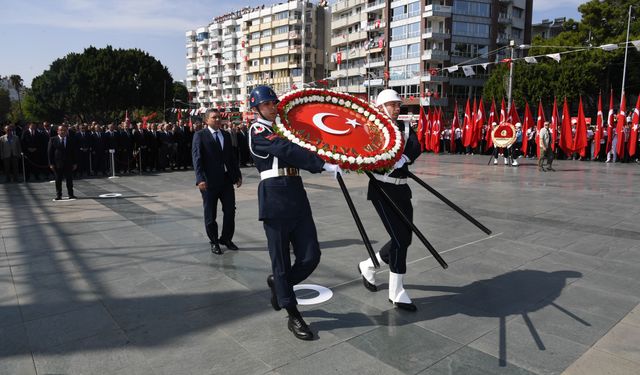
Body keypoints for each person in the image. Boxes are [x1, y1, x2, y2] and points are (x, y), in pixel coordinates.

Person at [248, 85, 340, 340]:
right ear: (256, 108)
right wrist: (322, 165)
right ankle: (293, 314)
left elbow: (303, 145)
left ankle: (280, 284)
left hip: (296, 194)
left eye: (273, 103)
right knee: (280, 260)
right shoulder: (258, 130)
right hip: (274, 197)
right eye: (266, 104)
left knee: (311, 256)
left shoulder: (283, 130)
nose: (271, 107)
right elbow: (286, 151)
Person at [357, 89, 421, 312]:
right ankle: (397, 292)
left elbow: (415, 146)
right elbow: (365, 151)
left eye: (398, 105)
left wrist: (404, 157)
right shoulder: (372, 128)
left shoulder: (404, 127)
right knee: (400, 238)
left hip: (402, 189)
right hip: (381, 188)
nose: (396, 108)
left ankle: (368, 265)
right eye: (392, 104)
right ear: (382, 107)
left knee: (405, 237)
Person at [192, 109, 242, 255]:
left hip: (227, 180)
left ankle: (226, 238)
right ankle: (214, 241)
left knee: (230, 211)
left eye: (219, 117)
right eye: (214, 118)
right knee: (210, 214)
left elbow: (231, 158)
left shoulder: (226, 135)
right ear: (206, 120)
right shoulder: (200, 135)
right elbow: (197, 158)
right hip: (209, 182)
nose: (218, 120)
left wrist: (237, 175)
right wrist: (199, 178)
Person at [48, 124, 77, 200]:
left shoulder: (70, 139)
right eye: (61, 130)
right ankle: (58, 195)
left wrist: (75, 163)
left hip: (68, 163)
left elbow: (73, 152)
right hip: (57, 163)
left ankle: (71, 194)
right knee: (58, 180)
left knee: (69, 180)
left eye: (64, 130)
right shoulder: (53, 139)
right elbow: (50, 152)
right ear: (58, 131)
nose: (63, 132)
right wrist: (51, 163)